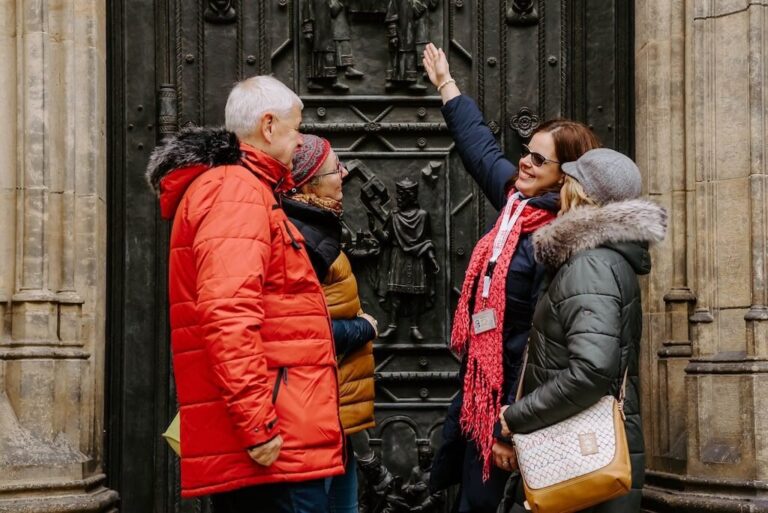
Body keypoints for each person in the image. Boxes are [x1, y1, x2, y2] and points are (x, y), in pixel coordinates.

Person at [145, 76, 344, 513]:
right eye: (297, 128)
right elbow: (227, 315)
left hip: (282, 433)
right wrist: (258, 426)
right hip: (275, 442)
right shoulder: (236, 192)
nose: (300, 141)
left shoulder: (245, 188)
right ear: (268, 126)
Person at [421, 43, 601, 513]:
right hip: (481, 399)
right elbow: (479, 147)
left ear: (566, 178)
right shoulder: (517, 208)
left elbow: (541, 346)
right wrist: (446, 84)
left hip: (511, 412)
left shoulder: (561, 241)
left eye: (539, 160)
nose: (524, 162)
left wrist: (509, 427)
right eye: (526, 152)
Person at [499, 148, 666, 512]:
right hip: (576, 454)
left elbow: (592, 369)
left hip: (579, 459)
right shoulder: (598, 257)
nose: (559, 187)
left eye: (567, 180)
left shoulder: (591, 263)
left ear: (580, 192)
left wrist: (516, 416)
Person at [282, 134, 393, 513]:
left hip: (334, 411)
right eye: (335, 169)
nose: (344, 174)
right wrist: (363, 329)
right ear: (308, 183)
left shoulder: (317, 227)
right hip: (309, 414)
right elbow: (290, 331)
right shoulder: (302, 239)